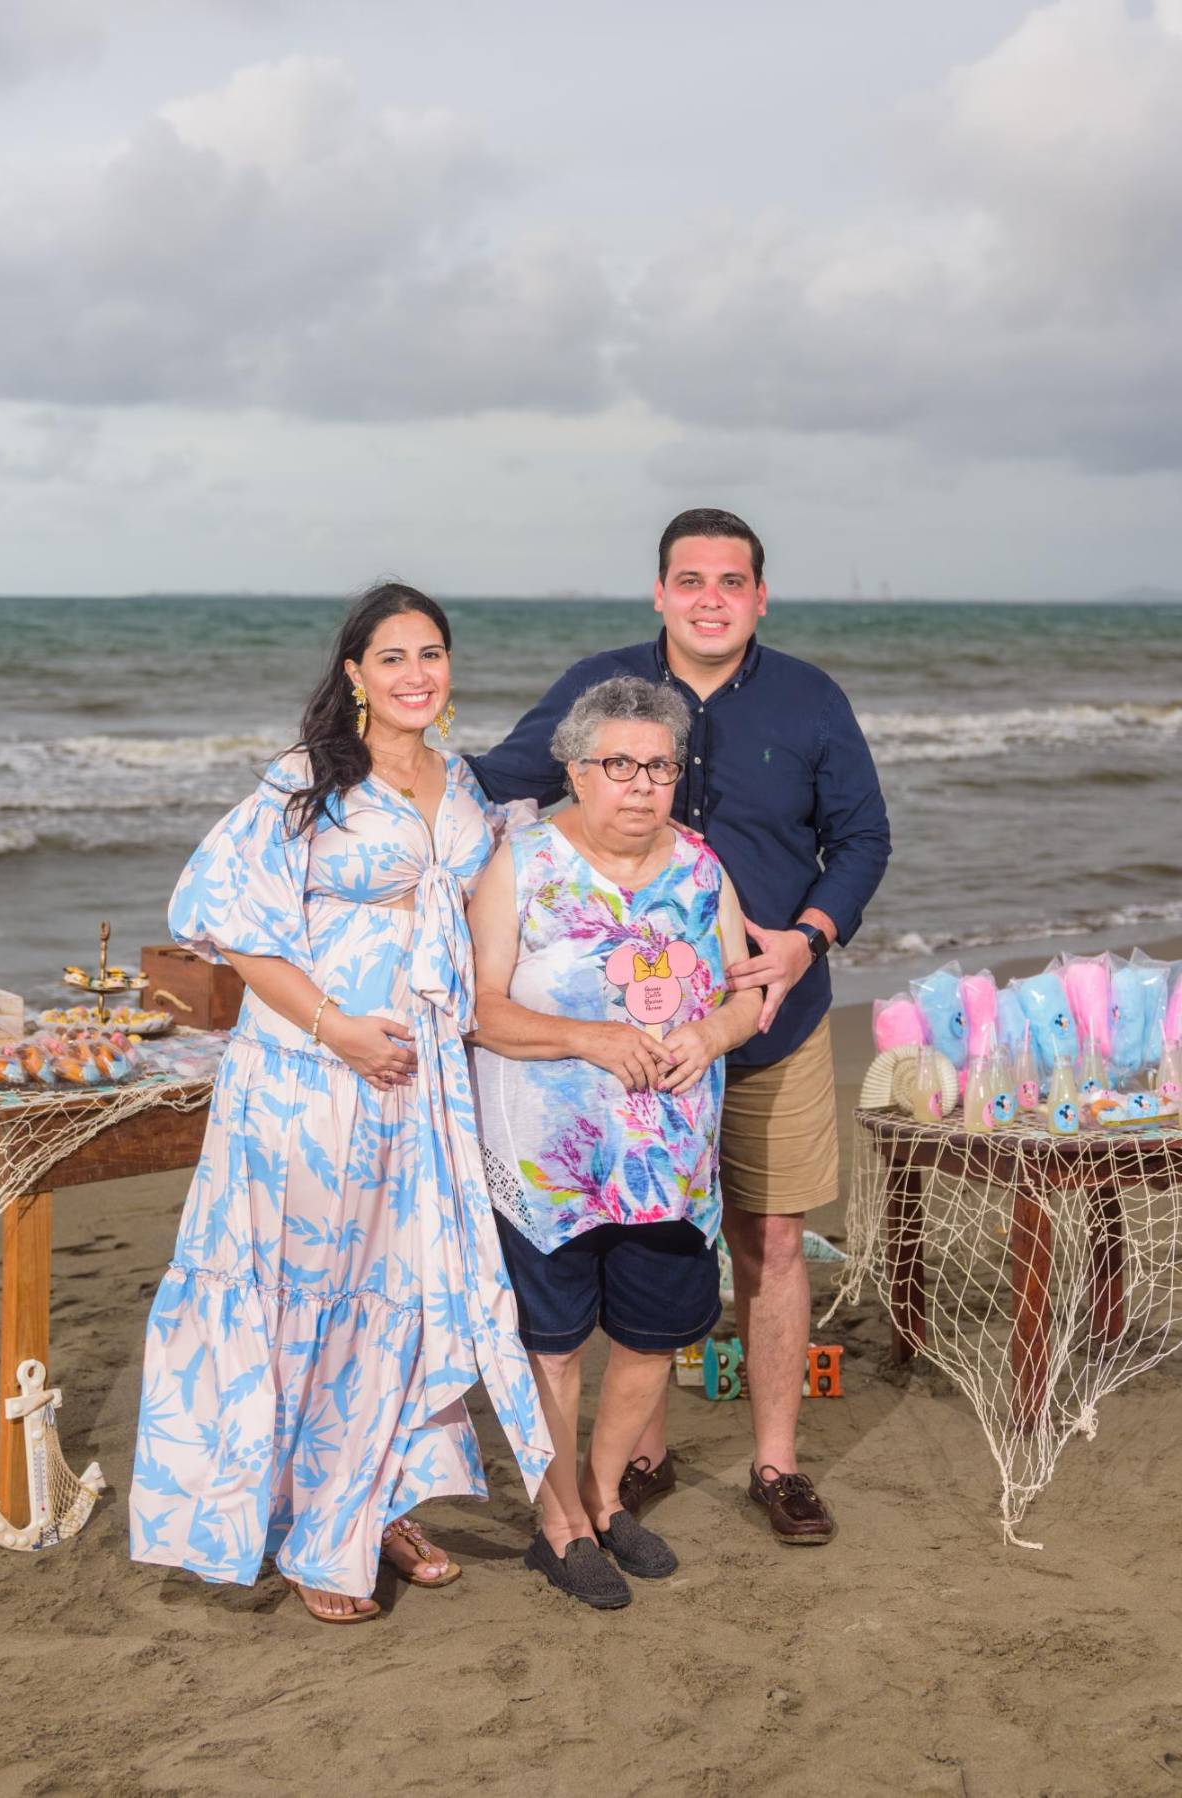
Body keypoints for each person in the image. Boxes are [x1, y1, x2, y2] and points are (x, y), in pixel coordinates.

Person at [130, 584, 551, 1624]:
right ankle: (308, 1523)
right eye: (393, 655)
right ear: (355, 673)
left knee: (397, 1295)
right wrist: (340, 1032)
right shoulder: (306, 782)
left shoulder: (459, 784)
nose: (417, 672)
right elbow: (233, 923)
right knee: (298, 1292)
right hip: (310, 1081)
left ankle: (376, 1504)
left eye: (432, 653)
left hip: (419, 1091)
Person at [468, 510, 890, 1545]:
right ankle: (638, 1462)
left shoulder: (811, 699)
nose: (710, 597)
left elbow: (864, 836)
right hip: (609, 1063)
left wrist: (806, 937)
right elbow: (496, 780)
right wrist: (365, 778)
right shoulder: (597, 689)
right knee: (633, 1235)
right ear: (658, 592)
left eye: (731, 581)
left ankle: (777, 1462)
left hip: (769, 1025)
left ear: (759, 596)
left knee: (772, 1236)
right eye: (689, 579)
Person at [467, 676, 761, 1607]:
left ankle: (603, 1501)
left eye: (660, 766)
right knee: (552, 1344)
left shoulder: (703, 870)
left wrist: (713, 1034)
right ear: (575, 770)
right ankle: (557, 1526)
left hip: (670, 1162)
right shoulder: (523, 863)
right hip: (548, 1163)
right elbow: (479, 1012)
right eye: (619, 765)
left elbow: (748, 994)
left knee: (645, 1337)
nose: (641, 785)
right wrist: (589, 1038)